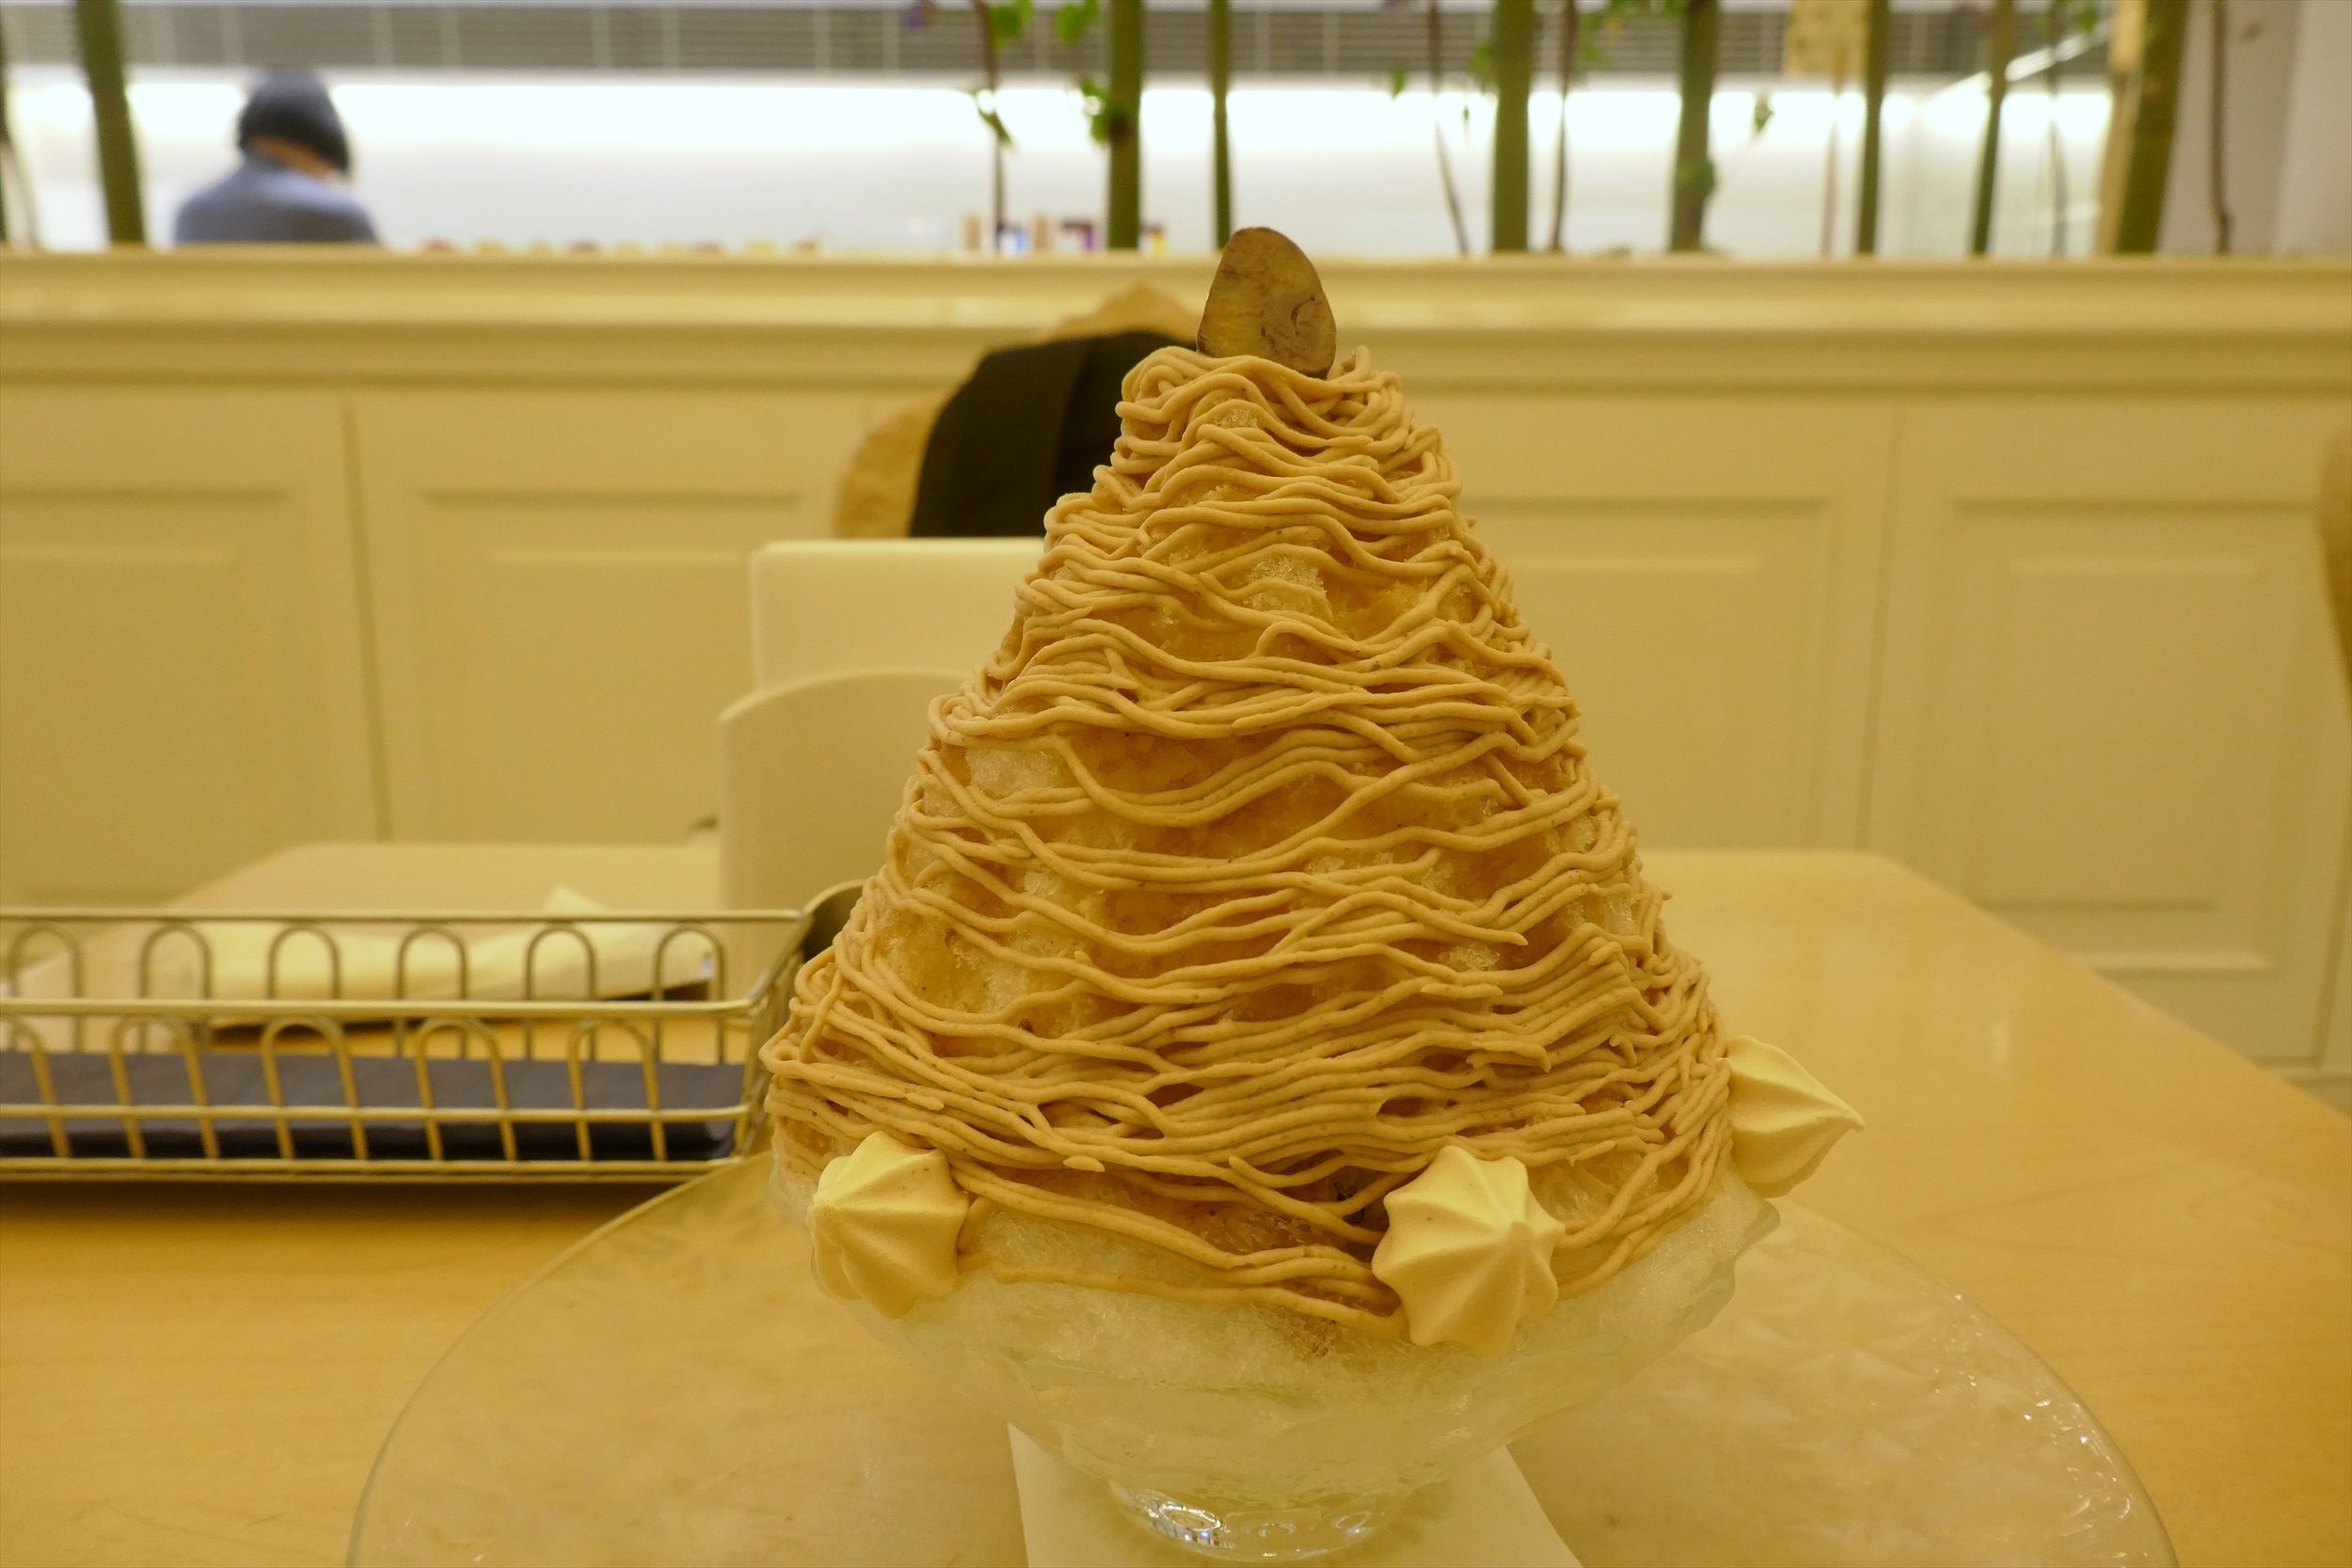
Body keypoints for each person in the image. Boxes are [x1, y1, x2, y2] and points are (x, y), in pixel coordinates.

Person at [174, 73, 377, 245]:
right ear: (316, 152)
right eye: (329, 171)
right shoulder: (340, 214)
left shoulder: (191, 212)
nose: (326, 181)